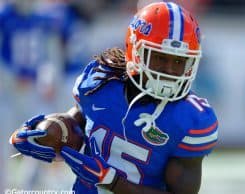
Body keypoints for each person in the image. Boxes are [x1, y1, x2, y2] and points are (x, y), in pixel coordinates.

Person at [9, 2, 218, 194]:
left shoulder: (192, 118)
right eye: (160, 58)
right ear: (135, 52)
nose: (169, 70)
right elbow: (77, 121)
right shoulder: (102, 82)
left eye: (179, 61)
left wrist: (111, 181)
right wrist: (49, 130)